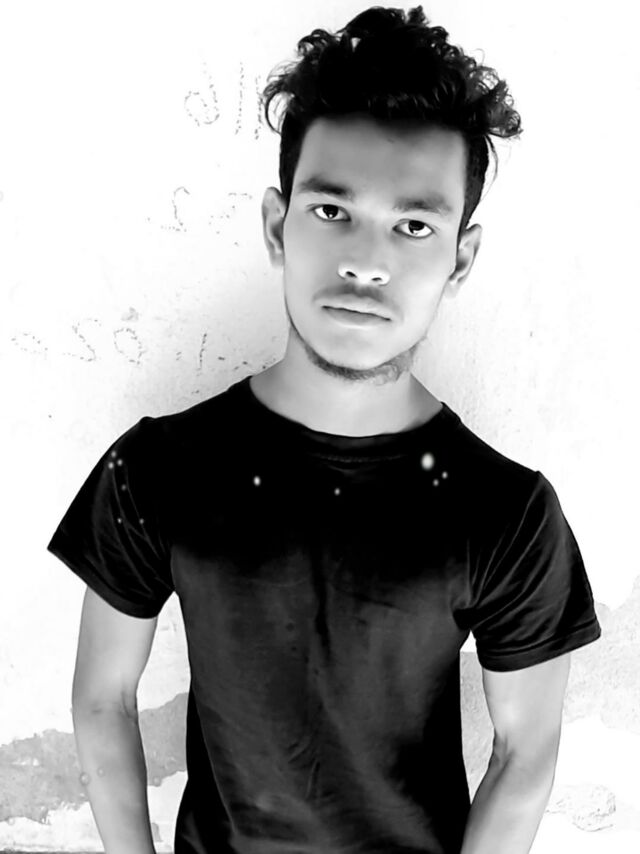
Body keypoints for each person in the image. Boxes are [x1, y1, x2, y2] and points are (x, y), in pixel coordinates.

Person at [46, 5, 601, 853]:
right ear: (278, 226)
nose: (366, 262)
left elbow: (525, 758)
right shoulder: (158, 466)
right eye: (333, 211)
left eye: (414, 225)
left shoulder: (509, 512)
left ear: (460, 257)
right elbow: (100, 698)